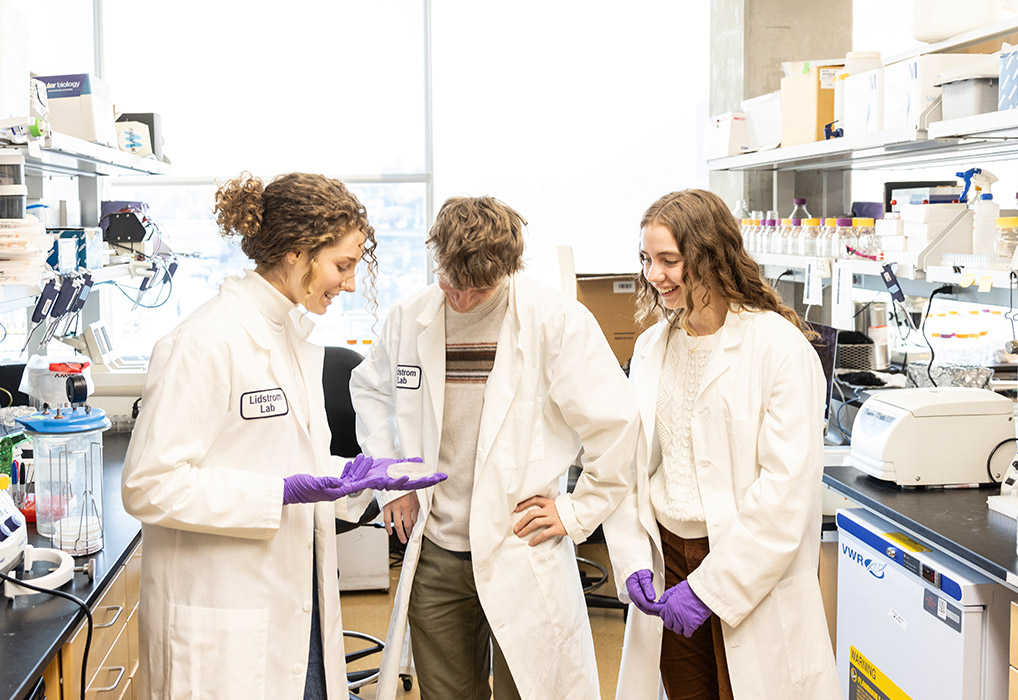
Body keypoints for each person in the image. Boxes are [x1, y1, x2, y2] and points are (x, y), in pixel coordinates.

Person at [122, 172, 445, 700]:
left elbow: (287, 460)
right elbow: (148, 484)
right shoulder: (205, 342)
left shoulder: (292, 339)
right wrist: (281, 493)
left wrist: (353, 477)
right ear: (297, 253)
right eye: (342, 265)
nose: (347, 282)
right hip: (225, 616)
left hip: (299, 601)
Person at [350, 195, 640, 700]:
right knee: (446, 694)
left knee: (526, 690)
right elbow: (370, 390)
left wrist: (576, 512)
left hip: (520, 545)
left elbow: (617, 426)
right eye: (450, 283)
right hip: (437, 550)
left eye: (477, 289)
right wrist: (392, 479)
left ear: (508, 271)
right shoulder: (410, 316)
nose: (460, 300)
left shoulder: (556, 322)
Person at [603, 189, 839, 699]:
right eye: (647, 259)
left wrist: (712, 587)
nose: (653, 274)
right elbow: (628, 465)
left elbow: (785, 492)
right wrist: (631, 559)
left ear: (711, 254)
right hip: (668, 558)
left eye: (669, 260)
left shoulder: (777, 347)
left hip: (746, 564)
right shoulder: (651, 348)